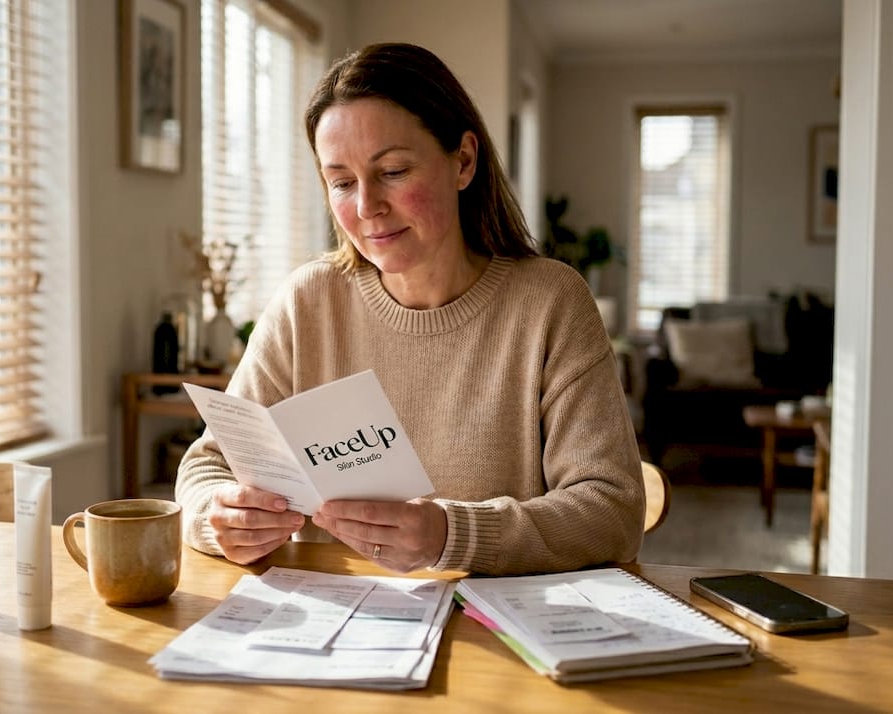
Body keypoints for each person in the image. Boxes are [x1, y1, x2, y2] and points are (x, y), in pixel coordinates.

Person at [176, 42, 643, 576]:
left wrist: (454, 535)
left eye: (393, 171)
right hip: (333, 626)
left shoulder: (550, 303)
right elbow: (206, 466)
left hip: (497, 635)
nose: (367, 206)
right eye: (342, 183)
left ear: (463, 160)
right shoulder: (308, 302)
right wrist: (216, 515)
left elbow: (614, 510)